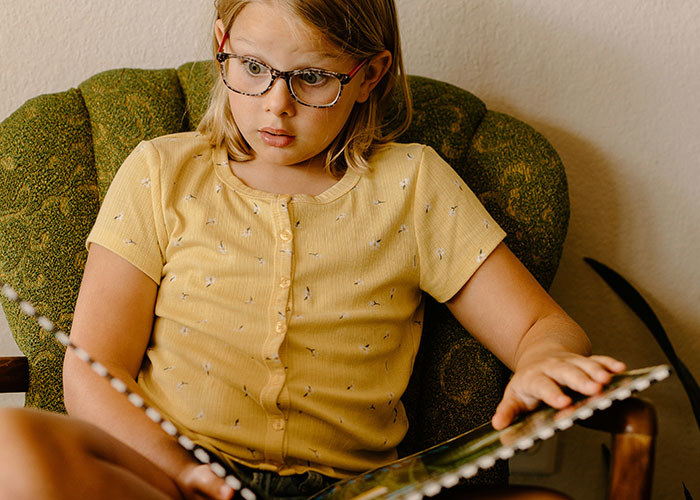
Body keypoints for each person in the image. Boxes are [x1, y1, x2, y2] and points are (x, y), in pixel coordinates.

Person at [0, 1, 626, 499]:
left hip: (351, 490)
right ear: (222, 45)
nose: (277, 104)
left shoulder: (414, 185)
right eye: (251, 68)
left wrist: (543, 359)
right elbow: (91, 372)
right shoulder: (163, 171)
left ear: (370, 75)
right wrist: (180, 470)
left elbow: (542, 326)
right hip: (169, 479)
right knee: (11, 447)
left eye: (313, 77)